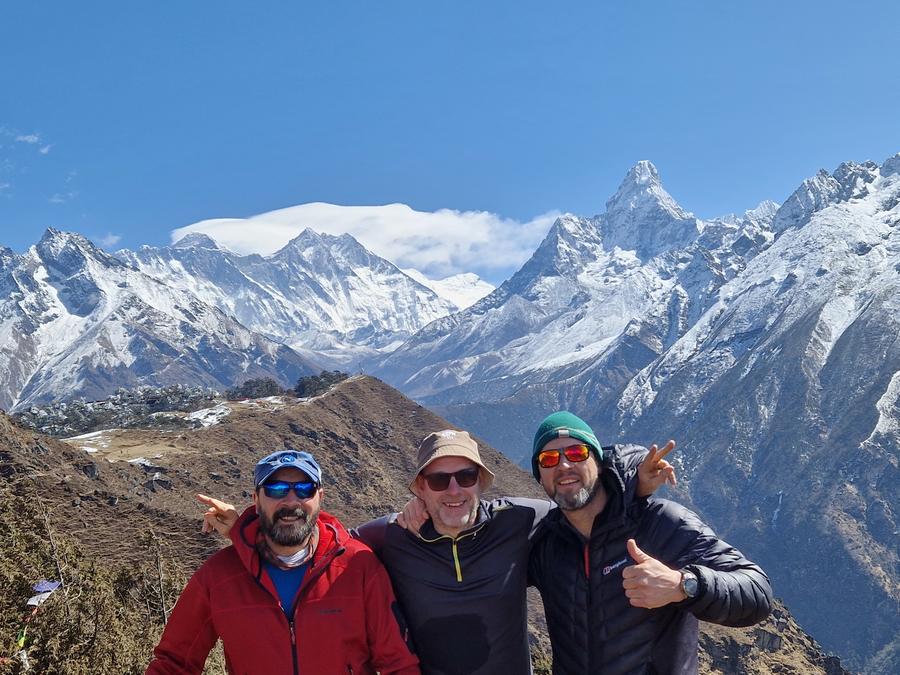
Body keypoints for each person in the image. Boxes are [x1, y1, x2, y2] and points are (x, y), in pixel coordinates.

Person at [200, 430, 675, 675]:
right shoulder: (387, 537)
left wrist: (634, 483)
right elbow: (316, 546)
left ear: (482, 483)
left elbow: (575, 495)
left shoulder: (520, 520)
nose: (453, 490)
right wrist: (248, 530)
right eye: (437, 480)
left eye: (465, 477)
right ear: (417, 488)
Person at [528, 411, 773, 675]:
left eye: (577, 453)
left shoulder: (661, 524)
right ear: (540, 476)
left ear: (599, 462)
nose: (563, 465)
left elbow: (758, 593)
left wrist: (683, 585)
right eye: (549, 459)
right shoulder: (545, 545)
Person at [146, 448, 420, 675]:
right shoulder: (218, 578)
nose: (291, 501)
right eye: (276, 489)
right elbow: (174, 663)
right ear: (256, 500)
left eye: (304, 489)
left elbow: (398, 664)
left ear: (320, 498)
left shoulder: (358, 566)